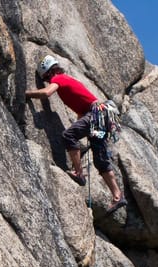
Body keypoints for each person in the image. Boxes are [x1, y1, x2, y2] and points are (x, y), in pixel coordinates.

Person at [25, 55, 127, 215]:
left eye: (46, 78)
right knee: (100, 158)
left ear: (49, 73)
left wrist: (28, 94)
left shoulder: (59, 78)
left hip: (98, 113)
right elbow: (82, 113)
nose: (47, 81)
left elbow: (46, 93)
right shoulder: (69, 81)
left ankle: (78, 173)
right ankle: (117, 195)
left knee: (68, 135)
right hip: (104, 115)